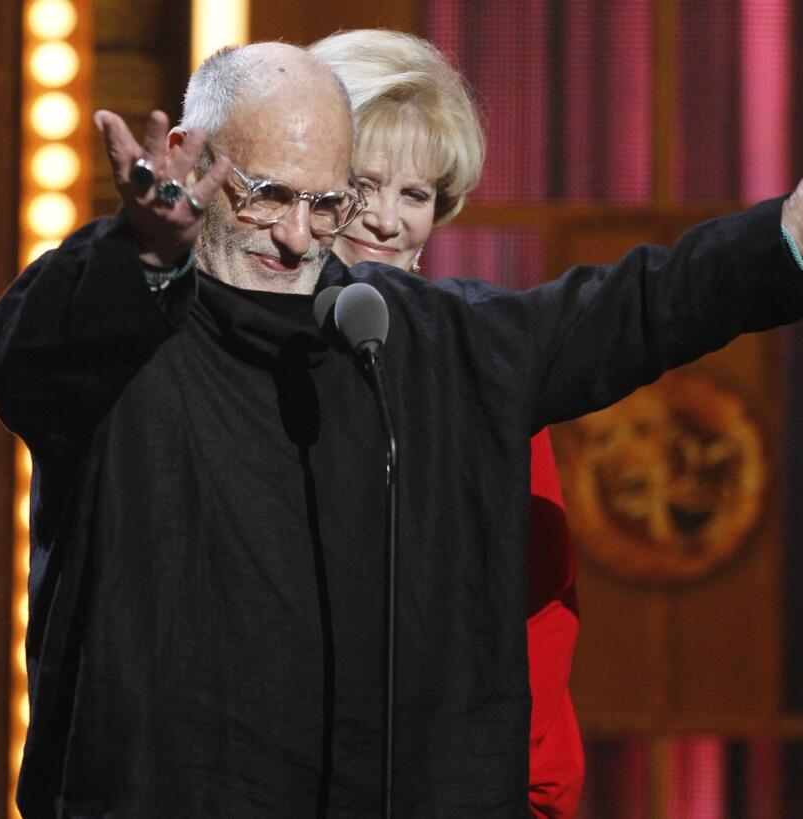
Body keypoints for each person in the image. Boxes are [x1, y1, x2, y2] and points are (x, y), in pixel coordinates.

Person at [0, 39, 803, 817]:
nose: (299, 236)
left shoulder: (414, 337)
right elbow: (24, 355)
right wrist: (140, 249)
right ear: (191, 157)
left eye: (324, 202)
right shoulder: (120, 329)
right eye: (266, 195)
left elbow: (638, 307)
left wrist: (792, 227)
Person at [308, 29, 585, 817]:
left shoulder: (480, 363)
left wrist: (527, 798)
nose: (387, 221)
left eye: (416, 195)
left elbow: (538, 603)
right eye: (363, 185)